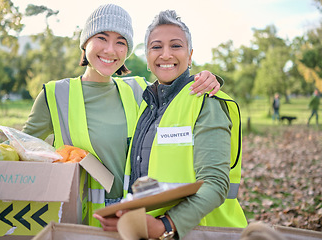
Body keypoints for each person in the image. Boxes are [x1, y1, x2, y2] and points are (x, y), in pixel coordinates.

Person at [22, 4, 222, 227]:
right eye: (102, 38)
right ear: (85, 41)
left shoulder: (140, 91)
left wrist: (207, 79)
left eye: (121, 42)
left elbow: (174, 83)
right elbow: (22, 153)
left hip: (131, 222)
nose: (110, 50)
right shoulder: (55, 95)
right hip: (78, 223)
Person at [93, 9, 247, 239]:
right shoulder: (147, 106)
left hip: (202, 232)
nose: (165, 54)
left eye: (176, 46)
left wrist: (165, 224)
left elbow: (215, 184)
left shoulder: (206, 102)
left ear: (190, 55)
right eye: (156, 47)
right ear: (147, 56)